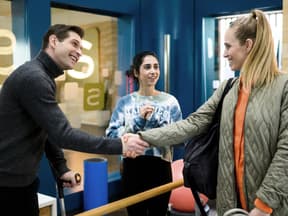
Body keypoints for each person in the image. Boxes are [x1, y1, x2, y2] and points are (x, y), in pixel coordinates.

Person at [129, 9, 288, 216]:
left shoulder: (283, 87)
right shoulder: (229, 88)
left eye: (228, 46)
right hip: (229, 205)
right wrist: (144, 137)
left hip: (270, 209)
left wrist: (263, 206)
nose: (224, 53)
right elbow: (192, 124)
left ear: (248, 46)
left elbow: (285, 152)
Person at [0, 24, 148, 216]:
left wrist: (61, 168)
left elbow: (47, 131)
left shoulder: (42, 76)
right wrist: (121, 145)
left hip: (21, 183)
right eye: (74, 44)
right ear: (54, 41)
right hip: (6, 187)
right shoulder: (34, 77)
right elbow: (63, 135)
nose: (79, 52)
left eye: (81, 48)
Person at [106, 51, 182, 216]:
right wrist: (138, 120)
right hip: (133, 167)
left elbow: (180, 138)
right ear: (136, 72)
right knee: (135, 213)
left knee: (158, 213)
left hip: (161, 167)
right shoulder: (125, 103)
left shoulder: (171, 102)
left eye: (156, 67)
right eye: (147, 67)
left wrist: (164, 131)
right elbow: (111, 136)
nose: (153, 71)